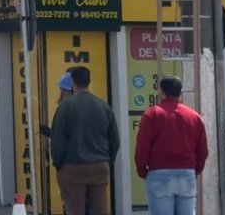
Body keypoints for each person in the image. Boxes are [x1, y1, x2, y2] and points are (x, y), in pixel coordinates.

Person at [50, 66, 119, 215]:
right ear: (89, 81)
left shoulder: (64, 107)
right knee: (100, 209)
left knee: (74, 210)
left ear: (73, 82)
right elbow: (114, 139)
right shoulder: (104, 106)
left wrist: (59, 164)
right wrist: (107, 161)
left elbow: (58, 140)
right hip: (99, 166)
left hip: (72, 167)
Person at [135, 75, 207, 215]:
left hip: (159, 174)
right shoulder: (195, 117)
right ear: (180, 92)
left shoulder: (151, 115)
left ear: (161, 91)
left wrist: (142, 171)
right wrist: (195, 170)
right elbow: (202, 150)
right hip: (186, 173)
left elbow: (142, 148)